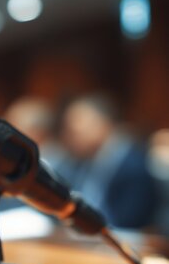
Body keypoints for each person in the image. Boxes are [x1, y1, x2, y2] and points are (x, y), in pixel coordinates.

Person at [55, 94, 156, 228]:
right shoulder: (82, 160)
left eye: (76, 131)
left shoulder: (133, 165)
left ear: (103, 125)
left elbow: (128, 222)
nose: (69, 137)